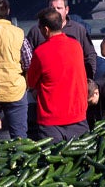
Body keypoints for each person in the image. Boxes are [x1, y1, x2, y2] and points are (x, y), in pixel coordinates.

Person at [26, 9, 88, 142]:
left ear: (46, 29)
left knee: (52, 159)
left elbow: (31, 82)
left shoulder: (40, 52)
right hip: (77, 115)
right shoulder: (76, 46)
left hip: (51, 120)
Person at [0, 0, 29, 139]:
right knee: (19, 138)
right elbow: (29, 63)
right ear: (8, 11)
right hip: (15, 91)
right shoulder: (19, 33)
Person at [26, 0, 97, 79]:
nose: (55, 11)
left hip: (74, 84)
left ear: (67, 10)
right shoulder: (36, 31)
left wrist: (89, 80)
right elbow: (27, 60)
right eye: (52, 8)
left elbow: (90, 56)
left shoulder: (79, 30)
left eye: (59, 8)